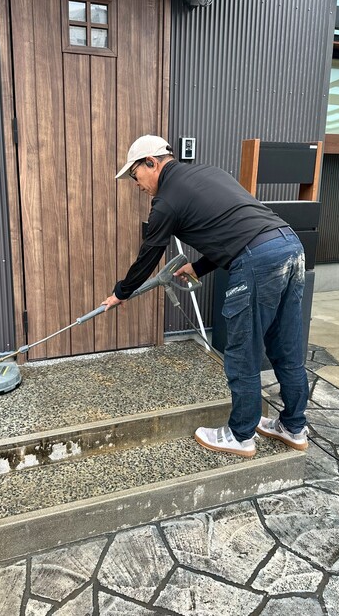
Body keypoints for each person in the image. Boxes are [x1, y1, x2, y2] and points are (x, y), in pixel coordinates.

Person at [102, 135, 309, 458]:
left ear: (151, 163)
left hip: (257, 261)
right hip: (289, 245)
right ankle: (294, 427)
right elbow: (235, 229)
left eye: (135, 174)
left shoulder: (165, 201)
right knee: (286, 345)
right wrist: (198, 267)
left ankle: (240, 436)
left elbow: (149, 254)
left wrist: (121, 292)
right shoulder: (209, 173)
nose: (136, 184)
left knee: (243, 352)